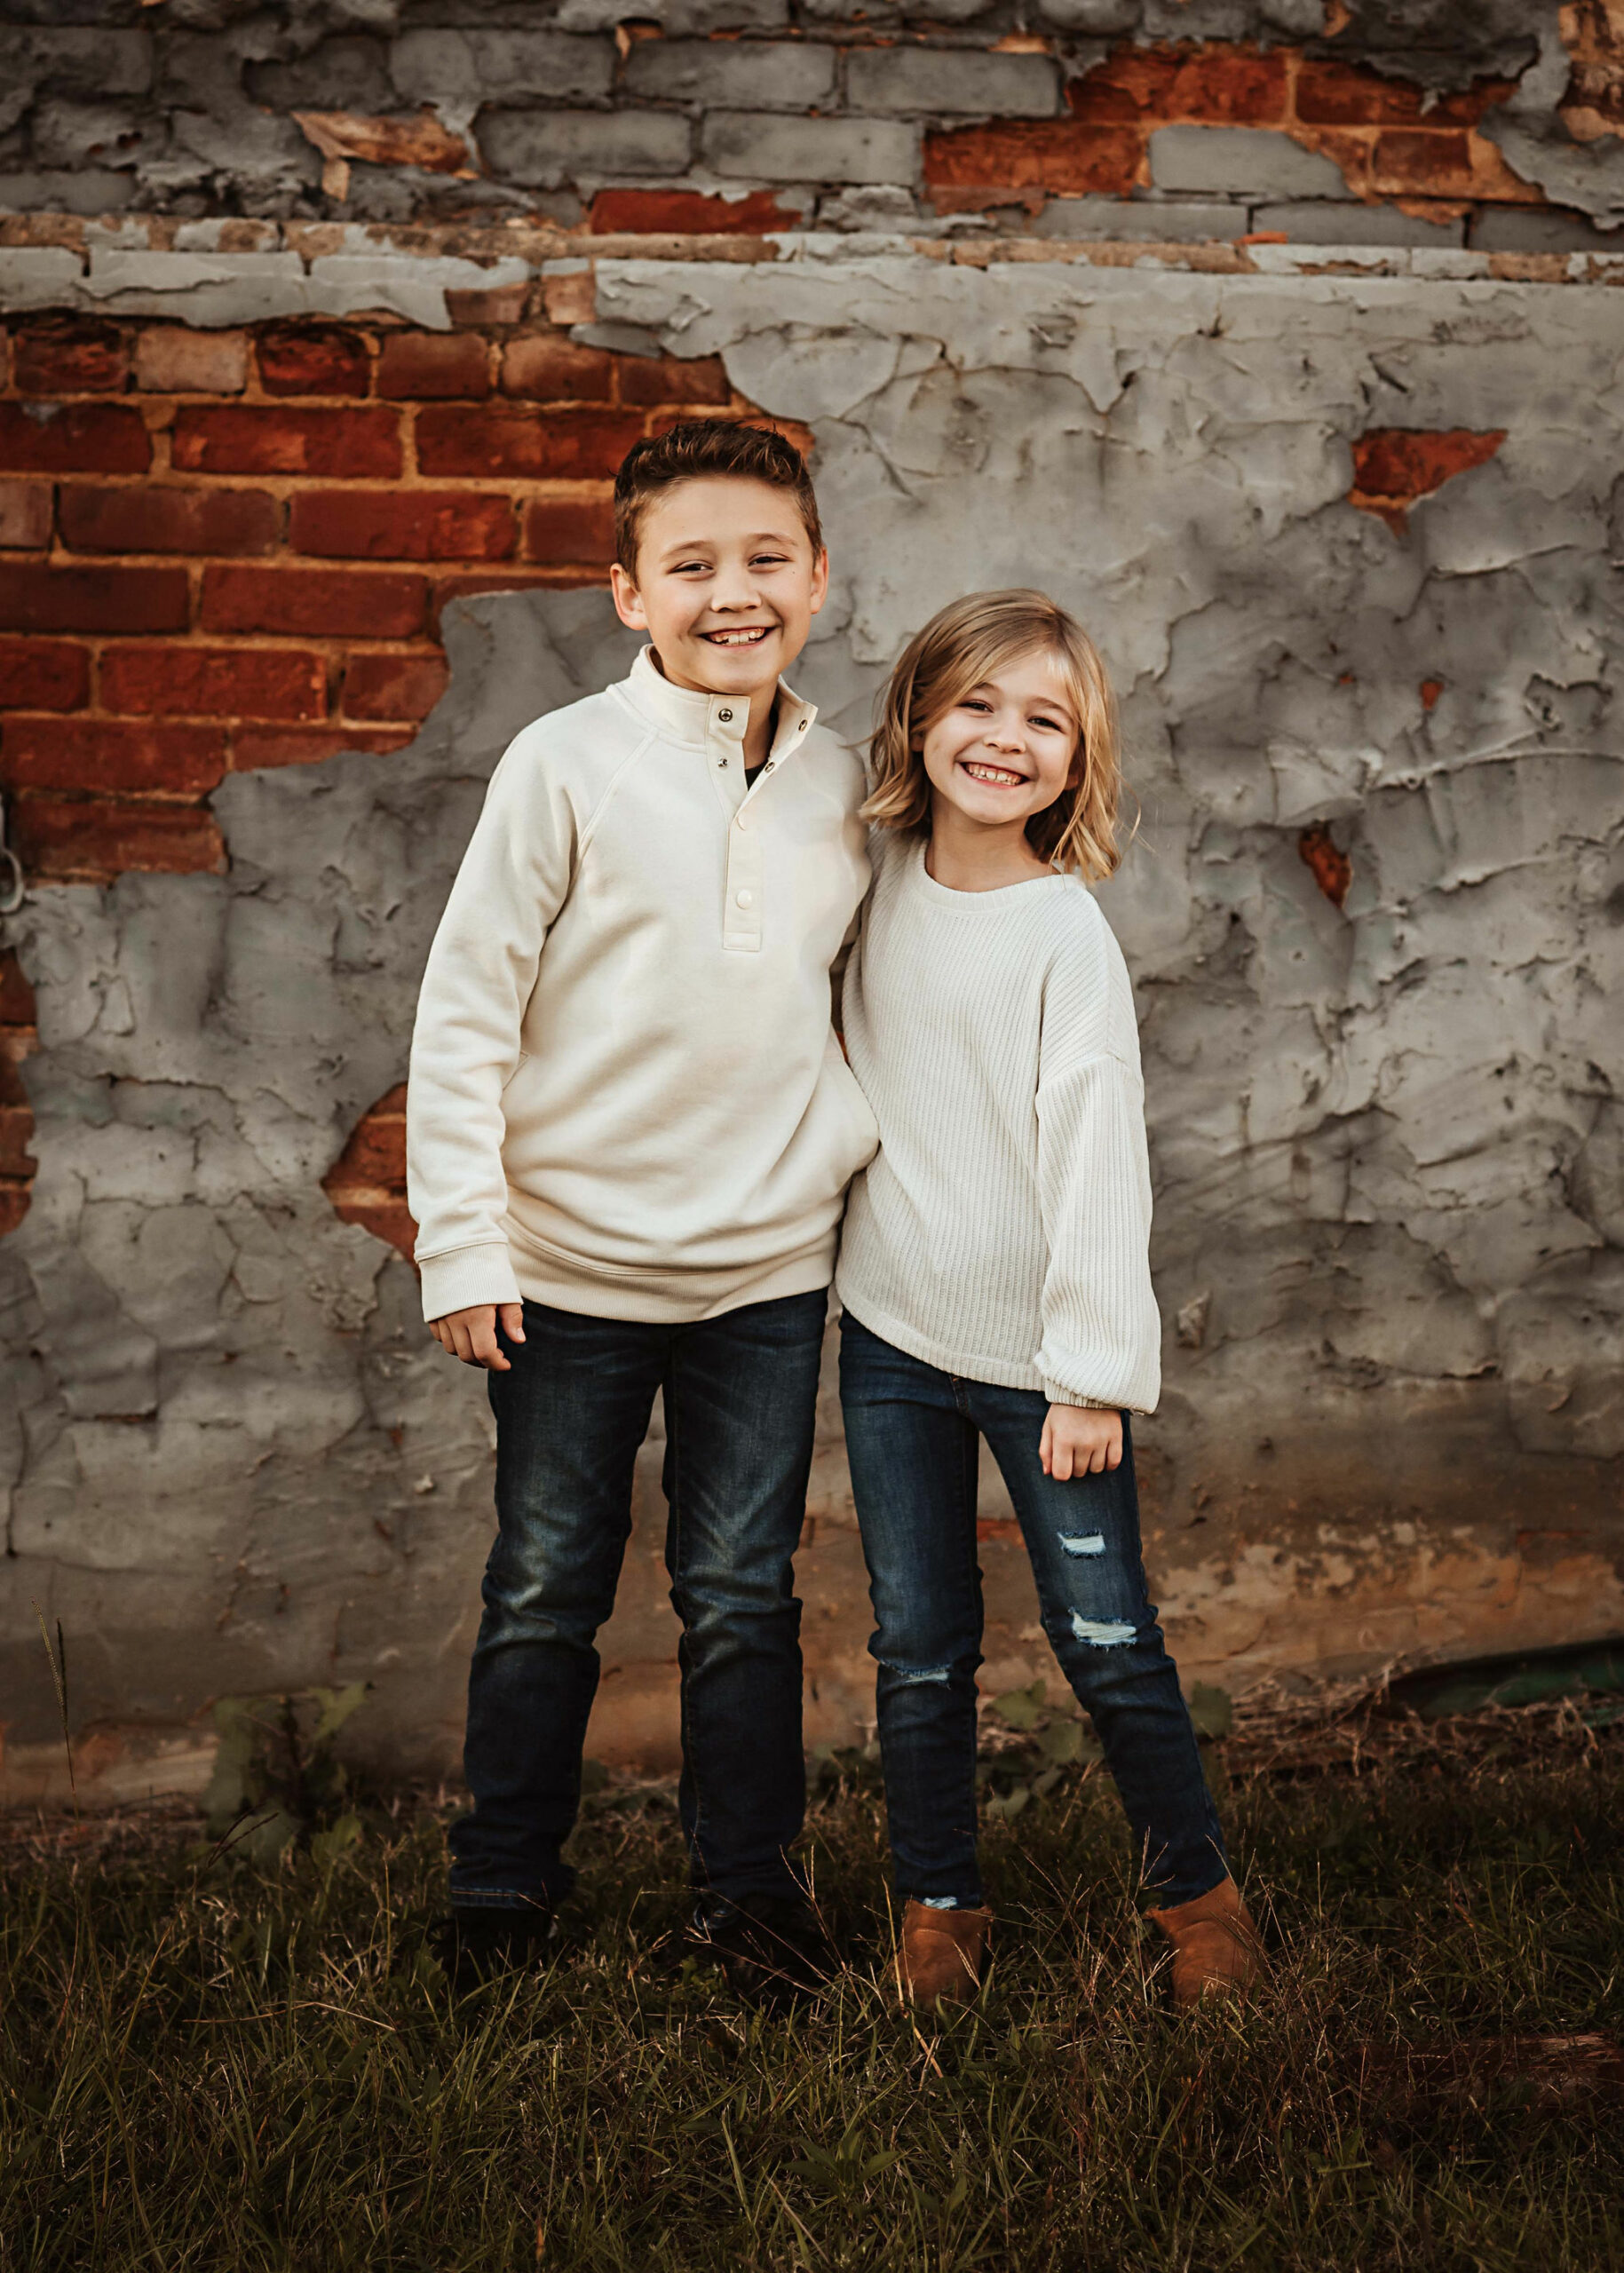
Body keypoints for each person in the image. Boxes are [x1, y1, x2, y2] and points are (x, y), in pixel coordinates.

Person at [407, 420, 877, 2000]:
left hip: (762, 1273)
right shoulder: (565, 765)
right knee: (545, 1584)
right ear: (627, 595)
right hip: (566, 1271)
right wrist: (464, 1240)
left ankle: (749, 1903)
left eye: (763, 560)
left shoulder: (847, 785)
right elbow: (468, 1008)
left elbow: (873, 999)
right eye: (690, 567)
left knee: (741, 1595)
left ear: (817, 576)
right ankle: (500, 1895)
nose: (730, 594)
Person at [835, 590, 1264, 2013]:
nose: (1004, 739)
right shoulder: (874, 878)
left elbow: (1095, 1160)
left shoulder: (1059, 938)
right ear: (918, 713)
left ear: (1077, 763)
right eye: (976, 704)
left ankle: (1197, 1899)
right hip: (891, 1335)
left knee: (1106, 1639)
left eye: (1044, 721)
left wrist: (1087, 1373)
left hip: (1041, 1364)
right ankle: (941, 1906)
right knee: (917, 1650)